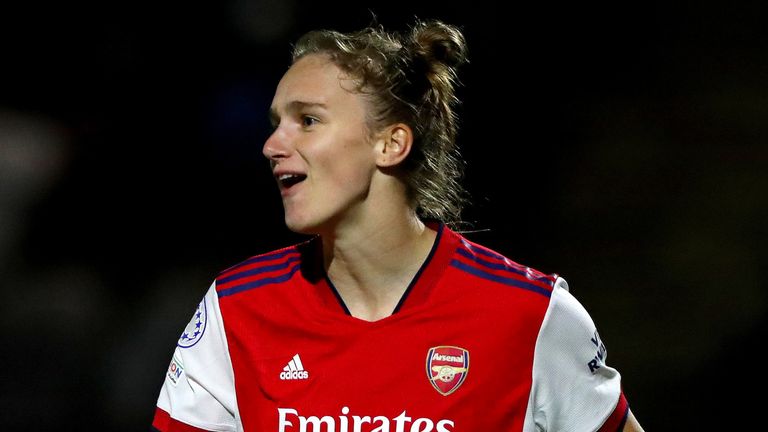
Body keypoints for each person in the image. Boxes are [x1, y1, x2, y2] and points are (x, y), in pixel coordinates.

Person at [151, 19, 645, 432]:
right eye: (276, 121)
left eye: (308, 121)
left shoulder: (531, 316)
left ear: (391, 144)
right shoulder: (236, 309)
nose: (272, 145)